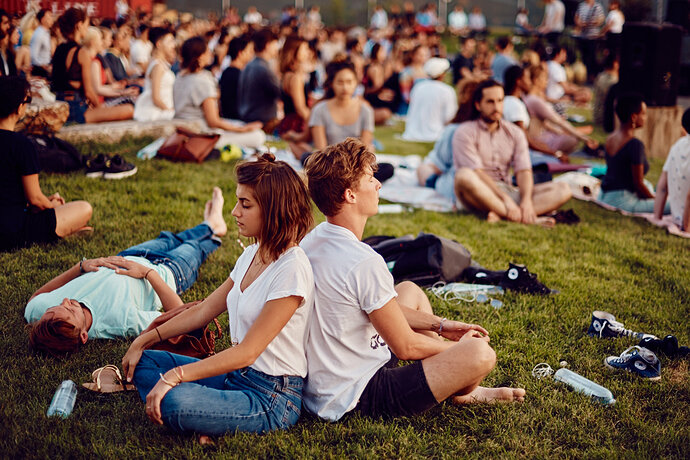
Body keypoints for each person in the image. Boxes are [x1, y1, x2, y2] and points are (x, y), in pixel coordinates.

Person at [301, 138, 525, 422]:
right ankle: (460, 387)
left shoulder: (314, 238)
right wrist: (458, 349)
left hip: (324, 382)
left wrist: (442, 326)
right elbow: (405, 346)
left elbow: (379, 308)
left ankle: (455, 383)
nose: (378, 185)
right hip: (357, 395)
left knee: (409, 290)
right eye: (370, 179)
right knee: (481, 355)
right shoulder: (362, 261)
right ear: (350, 195)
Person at [121, 154, 315, 438]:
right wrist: (145, 338)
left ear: (274, 210)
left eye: (245, 204)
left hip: (271, 397)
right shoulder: (252, 254)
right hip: (236, 376)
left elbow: (248, 351)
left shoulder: (292, 268)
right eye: (237, 202)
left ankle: (201, 412)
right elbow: (202, 312)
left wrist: (176, 376)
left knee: (176, 402)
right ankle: (209, 414)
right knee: (146, 362)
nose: (235, 212)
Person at [25, 188, 227, 356]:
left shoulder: (44, 315)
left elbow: (36, 297)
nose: (65, 300)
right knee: (193, 247)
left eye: (57, 306)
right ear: (84, 336)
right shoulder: (117, 322)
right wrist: (149, 274)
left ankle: (210, 225)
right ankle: (213, 228)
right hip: (170, 271)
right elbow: (181, 319)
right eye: (70, 310)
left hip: (131, 254)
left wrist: (80, 267)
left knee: (170, 238)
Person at [452, 79, 572, 224]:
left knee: (564, 188)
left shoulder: (514, 132)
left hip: (507, 190)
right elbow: (477, 172)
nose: (496, 107)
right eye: (490, 102)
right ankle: (525, 218)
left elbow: (523, 170)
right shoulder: (464, 132)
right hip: (479, 191)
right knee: (463, 176)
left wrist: (526, 201)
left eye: (500, 101)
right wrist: (505, 199)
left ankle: (504, 214)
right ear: (478, 105)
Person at [0, 76, 92, 251]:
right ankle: (62, 231)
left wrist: (44, 202)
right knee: (84, 208)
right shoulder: (22, 145)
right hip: (12, 232)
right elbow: (35, 199)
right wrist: (52, 206)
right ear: (20, 108)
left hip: (11, 216)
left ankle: (63, 228)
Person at [174, 37, 265, 150]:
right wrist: (242, 130)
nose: (211, 53)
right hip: (201, 134)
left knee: (238, 124)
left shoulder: (180, 77)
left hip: (182, 131)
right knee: (258, 136)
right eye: (207, 51)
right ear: (200, 56)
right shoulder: (202, 80)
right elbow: (213, 121)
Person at [51, 8, 131, 123]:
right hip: (76, 108)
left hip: (59, 105)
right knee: (128, 109)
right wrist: (100, 108)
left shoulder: (59, 49)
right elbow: (89, 92)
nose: (87, 28)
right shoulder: (82, 52)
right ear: (79, 25)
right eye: (86, 25)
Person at [599, 93, 669, 214]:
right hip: (621, 200)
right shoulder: (634, 144)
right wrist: (656, 201)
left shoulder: (610, 138)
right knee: (673, 205)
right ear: (633, 117)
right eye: (643, 114)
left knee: (649, 185)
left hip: (603, 195)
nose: (645, 118)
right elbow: (638, 185)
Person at [524, 64, 597, 155]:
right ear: (536, 80)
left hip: (541, 137)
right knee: (573, 139)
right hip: (540, 140)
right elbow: (558, 121)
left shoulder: (532, 98)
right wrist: (584, 138)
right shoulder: (535, 100)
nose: (547, 81)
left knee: (568, 134)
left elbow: (546, 123)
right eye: (544, 78)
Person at [503, 65, 567, 164]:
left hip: (516, 151)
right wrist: (555, 154)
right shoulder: (514, 105)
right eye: (527, 78)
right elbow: (525, 140)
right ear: (518, 81)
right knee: (555, 161)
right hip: (516, 154)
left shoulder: (510, 100)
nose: (530, 82)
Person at [309, 59, 374, 152]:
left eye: (349, 82)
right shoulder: (319, 110)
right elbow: (321, 149)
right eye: (340, 82)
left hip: (356, 162)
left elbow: (365, 148)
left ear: (356, 83)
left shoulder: (366, 110)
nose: (345, 87)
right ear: (332, 83)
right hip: (328, 161)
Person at [82, 27, 135, 117]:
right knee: (131, 101)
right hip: (99, 103)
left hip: (101, 101)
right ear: (93, 42)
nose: (102, 43)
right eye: (100, 40)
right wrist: (122, 92)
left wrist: (116, 88)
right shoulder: (94, 62)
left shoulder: (97, 60)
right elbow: (97, 89)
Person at [402, 57, 457, 142]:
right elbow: (450, 117)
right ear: (442, 74)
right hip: (436, 134)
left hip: (411, 133)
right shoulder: (447, 90)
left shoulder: (418, 87)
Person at [238, 28, 281, 131]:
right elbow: (280, 92)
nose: (277, 48)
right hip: (261, 122)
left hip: (247, 118)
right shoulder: (263, 68)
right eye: (275, 44)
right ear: (268, 45)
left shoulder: (249, 65)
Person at [654, 108, 690, 231]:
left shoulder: (677, 146)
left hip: (677, 218)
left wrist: (657, 218)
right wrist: (687, 228)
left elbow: (662, 186)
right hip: (687, 222)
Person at [134, 27, 176, 122]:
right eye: (170, 42)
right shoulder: (158, 66)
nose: (173, 45)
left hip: (164, 107)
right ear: (159, 44)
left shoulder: (161, 64)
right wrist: (169, 110)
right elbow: (156, 98)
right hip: (157, 110)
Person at [277, 35, 311, 142]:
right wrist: (315, 123)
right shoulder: (295, 78)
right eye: (304, 49)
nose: (308, 52)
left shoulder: (287, 74)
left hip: (289, 122)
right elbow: (300, 109)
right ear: (294, 51)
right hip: (295, 126)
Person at [219, 35, 252, 120]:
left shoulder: (226, 72)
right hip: (238, 120)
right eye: (249, 51)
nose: (251, 55)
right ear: (240, 53)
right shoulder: (239, 75)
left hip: (227, 117)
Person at [574, 0, 605, 81]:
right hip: (583, 35)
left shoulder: (597, 6)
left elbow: (601, 19)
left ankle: (592, 76)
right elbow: (576, 17)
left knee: (592, 57)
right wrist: (580, 23)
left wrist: (595, 22)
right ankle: (585, 75)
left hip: (593, 36)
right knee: (584, 56)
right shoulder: (581, 5)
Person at [30, 9, 53, 77]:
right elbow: (33, 56)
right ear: (42, 20)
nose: (52, 19)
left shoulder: (46, 33)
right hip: (40, 70)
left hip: (47, 66)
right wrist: (44, 66)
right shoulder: (39, 34)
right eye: (49, 18)